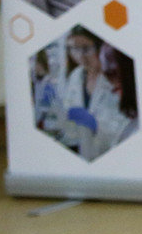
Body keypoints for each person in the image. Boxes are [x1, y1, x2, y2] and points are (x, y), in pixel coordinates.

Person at [58, 26, 136, 162]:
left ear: (100, 47)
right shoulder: (76, 75)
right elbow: (67, 115)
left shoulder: (114, 80)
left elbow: (123, 125)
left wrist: (95, 126)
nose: (80, 55)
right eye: (74, 49)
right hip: (81, 153)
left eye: (86, 48)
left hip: (113, 156)